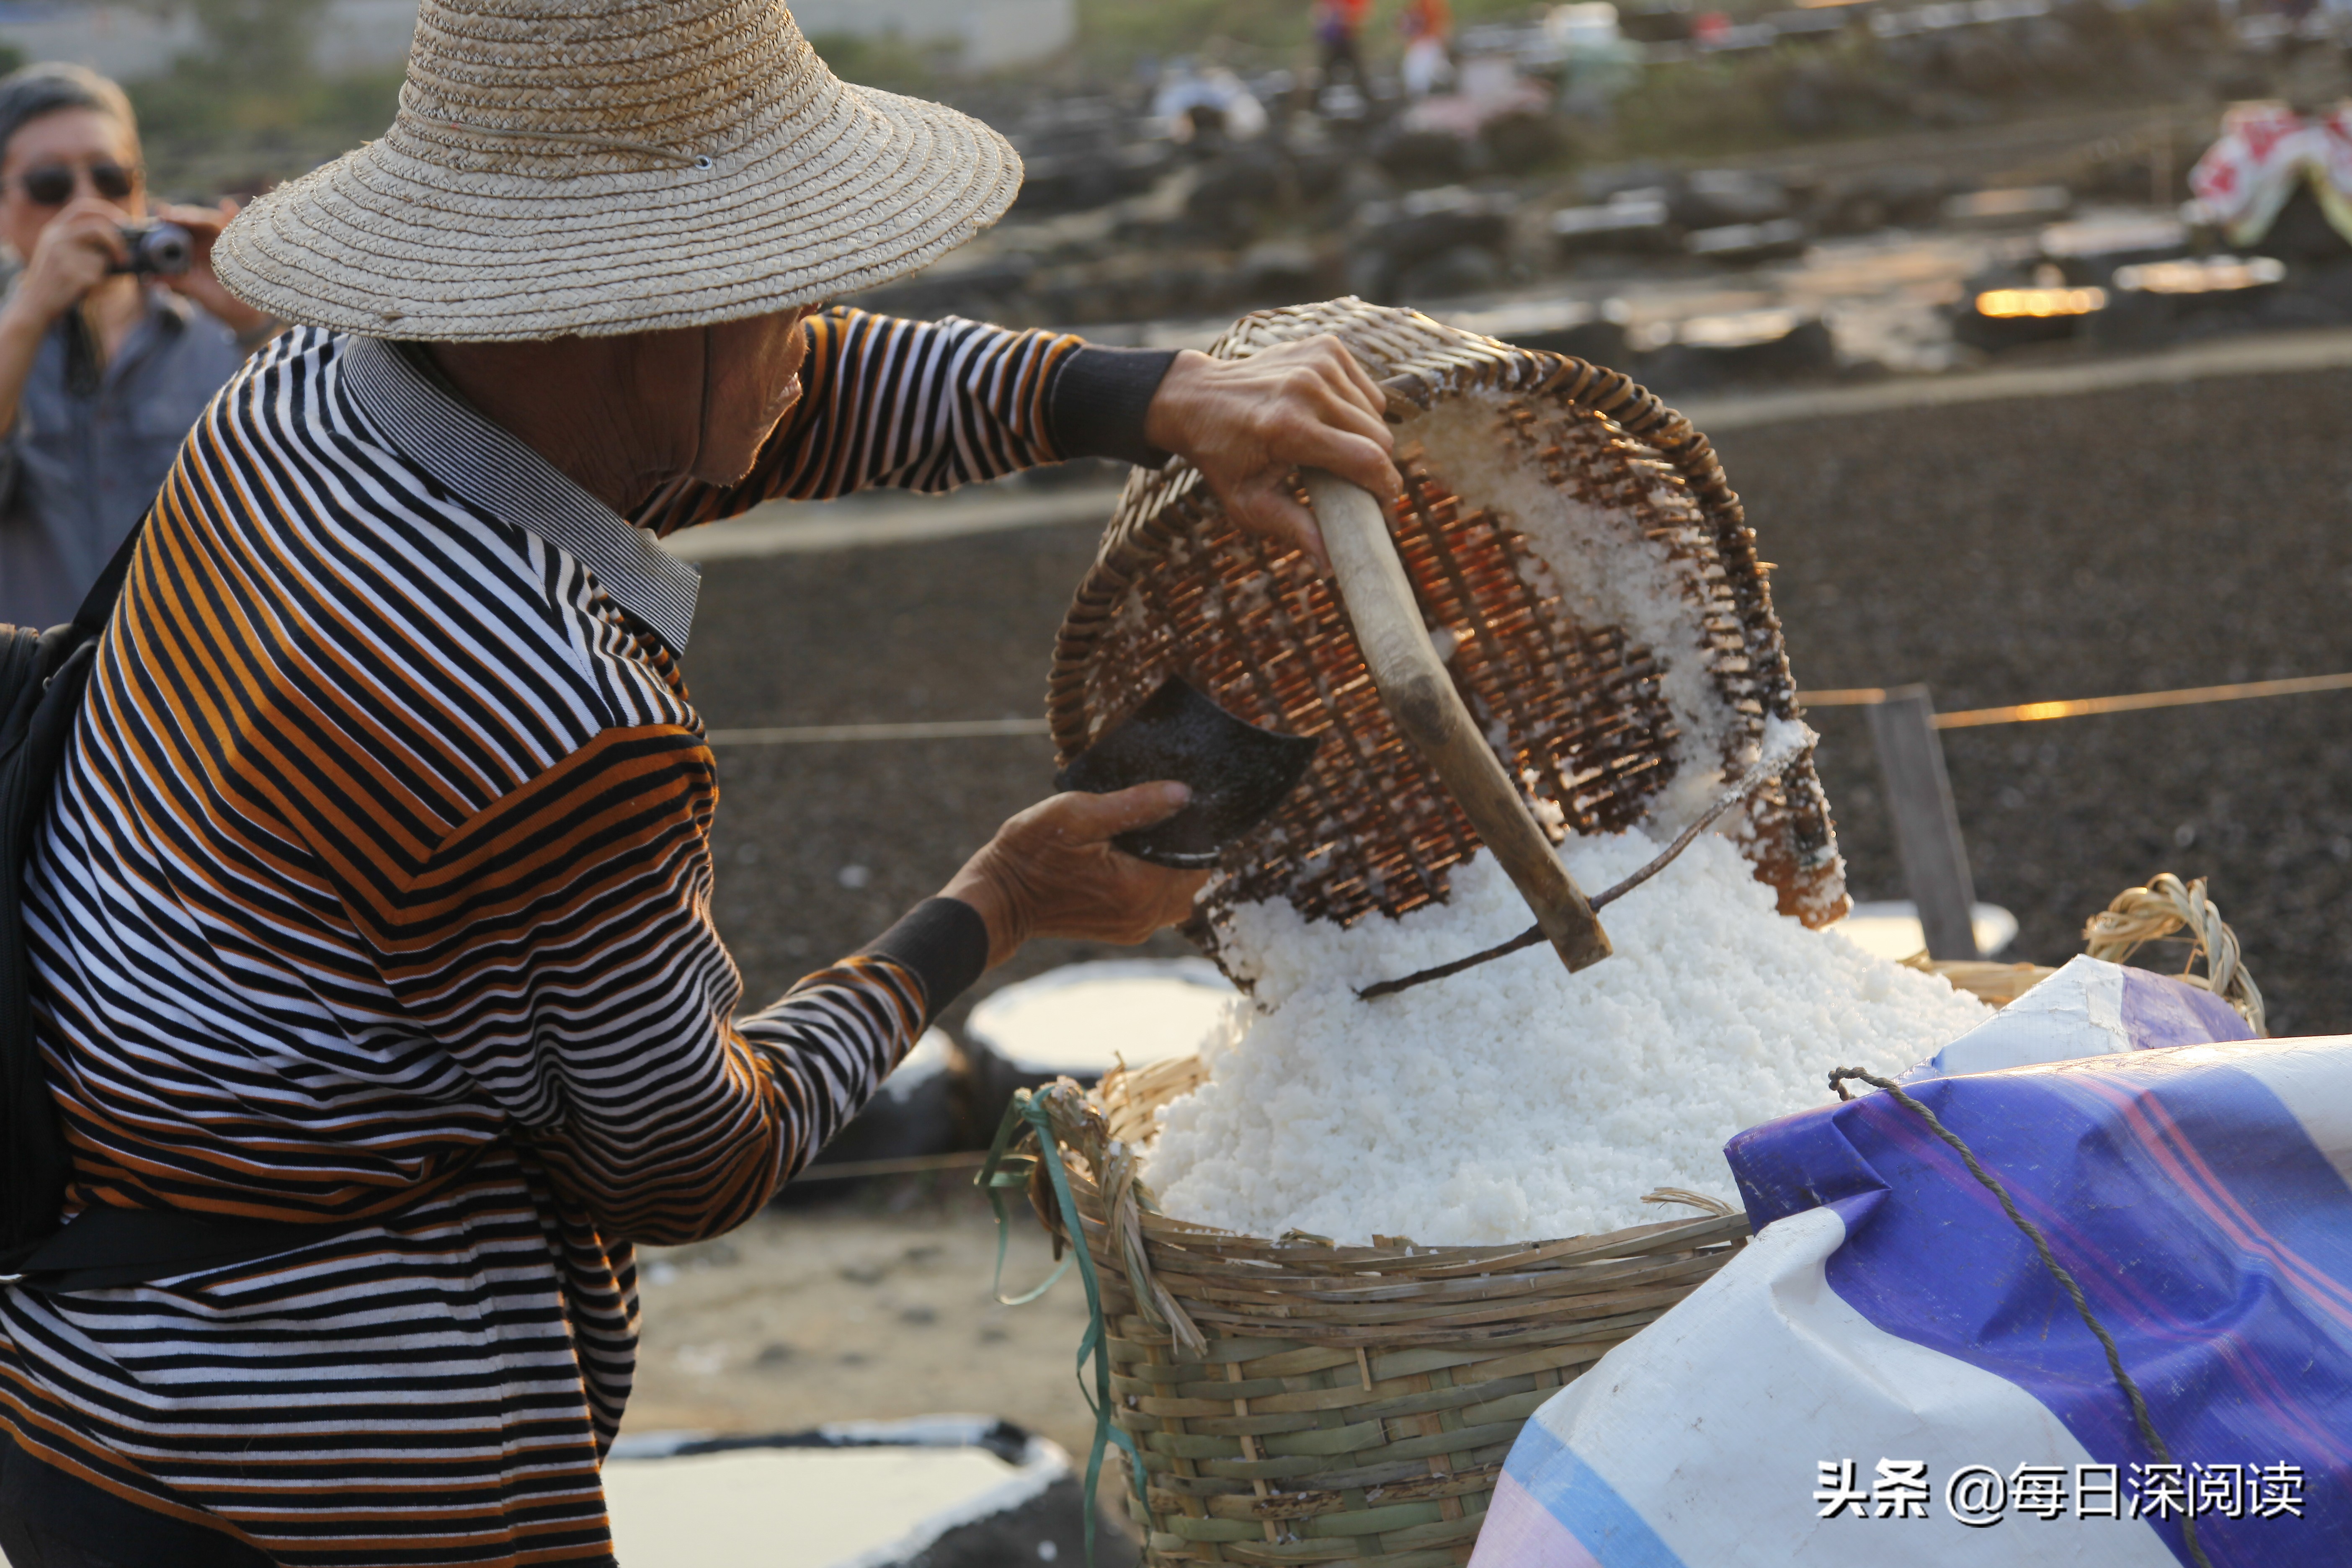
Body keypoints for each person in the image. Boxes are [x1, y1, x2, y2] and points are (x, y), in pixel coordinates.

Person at [0, 3, 1401, 1566]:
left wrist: (1148, 396)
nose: (816, 326)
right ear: (628, 315)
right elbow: (687, 1160)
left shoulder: (317, 392)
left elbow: (786, 398)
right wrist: (994, 906)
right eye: (782, 285)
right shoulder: (542, 710)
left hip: (86, 1376)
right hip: (321, 1473)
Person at [0, 63, 273, 627]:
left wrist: (256, 322)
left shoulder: (216, 336)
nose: (87, 204)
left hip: (189, 674)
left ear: (141, 188)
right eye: (50, 186)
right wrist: (29, 313)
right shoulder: (10, 338)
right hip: (35, 681)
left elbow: (312, 485)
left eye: (111, 179)